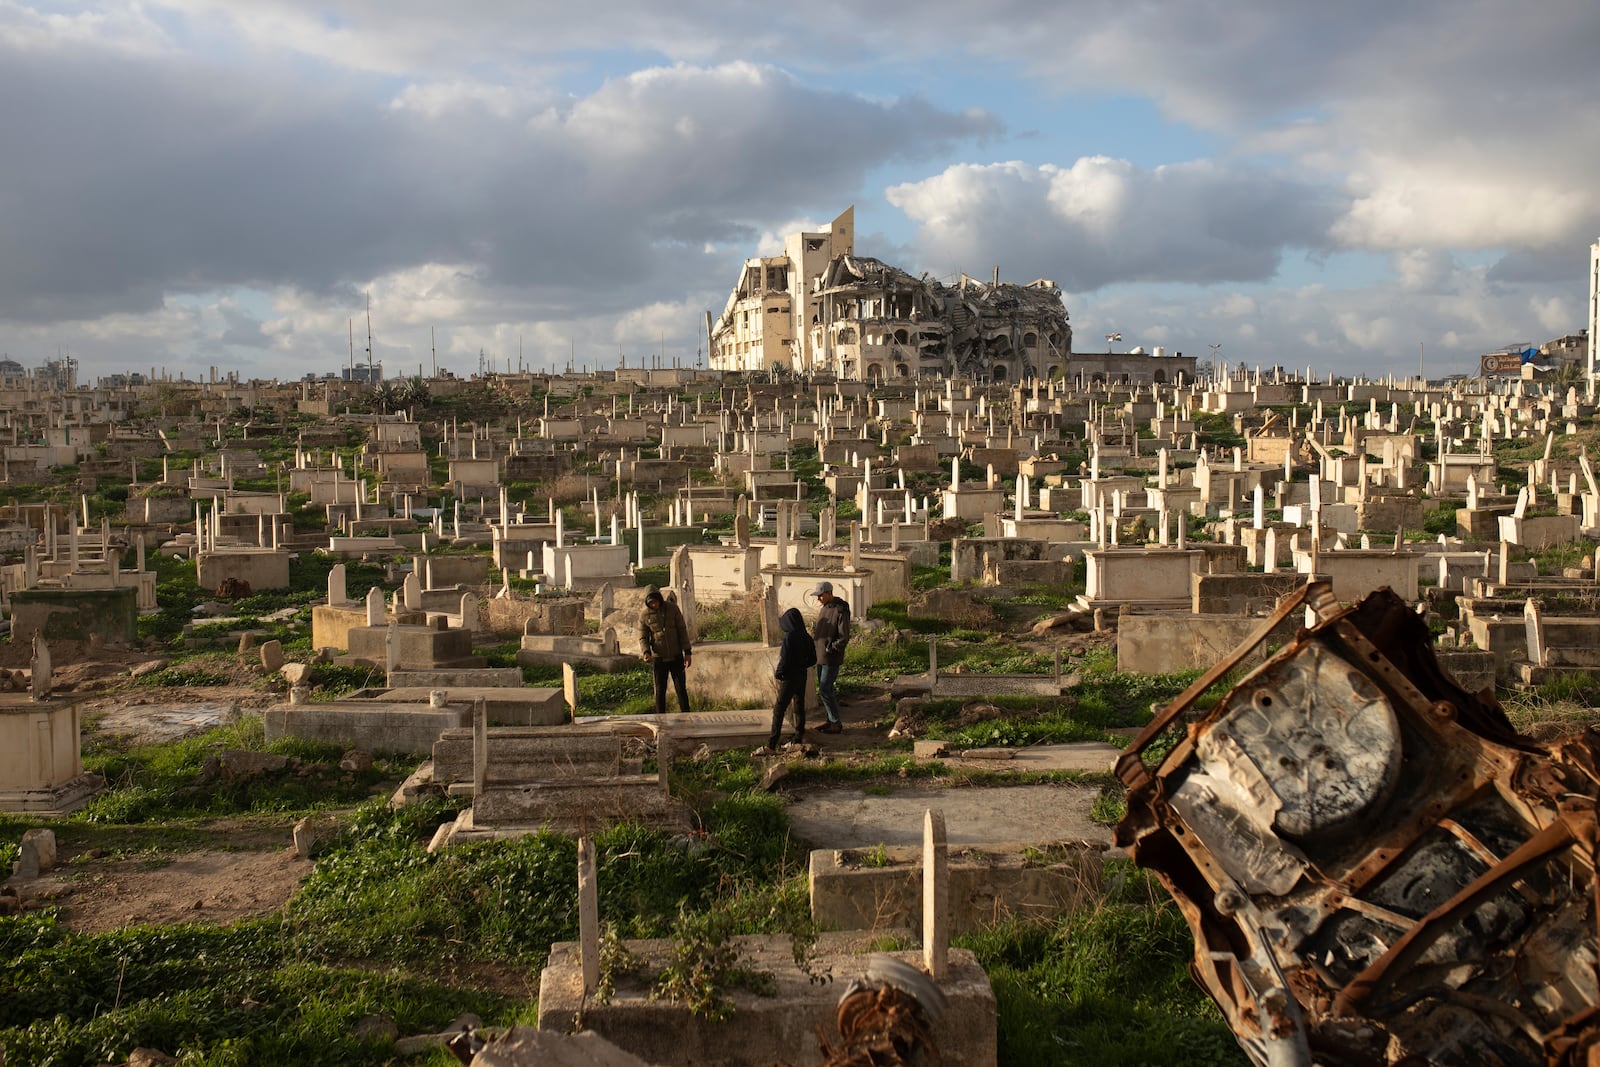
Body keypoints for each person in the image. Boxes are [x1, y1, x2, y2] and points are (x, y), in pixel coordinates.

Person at [757, 607, 815, 756]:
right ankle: (797, 739)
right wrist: (802, 666)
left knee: (779, 709)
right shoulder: (806, 636)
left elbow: (785, 659)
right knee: (798, 706)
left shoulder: (790, 638)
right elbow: (813, 659)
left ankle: (771, 744)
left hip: (790, 677)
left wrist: (780, 673)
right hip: (802, 675)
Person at [638, 585, 692, 715]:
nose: (654, 605)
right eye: (651, 603)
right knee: (660, 690)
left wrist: (687, 652)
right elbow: (643, 636)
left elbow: (682, 630)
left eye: (655, 601)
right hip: (659, 657)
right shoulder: (645, 615)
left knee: (681, 689)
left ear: (659, 599)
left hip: (676, 656)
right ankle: (660, 718)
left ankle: (687, 716)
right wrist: (646, 652)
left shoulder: (672, 609)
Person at [811, 581, 850, 733]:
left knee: (825, 688)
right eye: (818, 596)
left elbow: (844, 636)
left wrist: (831, 649)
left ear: (829, 593)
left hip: (831, 657)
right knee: (823, 689)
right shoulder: (825, 608)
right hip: (820, 656)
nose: (818, 598)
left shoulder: (841, 610)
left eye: (821, 595)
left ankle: (835, 722)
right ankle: (829, 721)